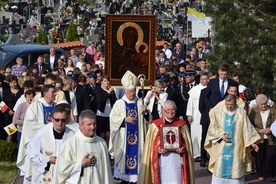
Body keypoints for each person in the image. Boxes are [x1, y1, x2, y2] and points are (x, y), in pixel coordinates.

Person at [204, 94, 260, 184]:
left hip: (236, 148)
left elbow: (247, 129)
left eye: (231, 105)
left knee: (236, 173)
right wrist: (221, 136)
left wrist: (251, 142)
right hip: (221, 147)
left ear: (235, 103)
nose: (229, 107)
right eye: (227, 104)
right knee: (219, 171)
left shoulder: (241, 112)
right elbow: (212, 128)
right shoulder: (218, 111)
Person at [138, 100, 195, 184]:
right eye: (168, 110)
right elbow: (150, 146)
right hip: (162, 160)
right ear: (163, 111)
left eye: (172, 110)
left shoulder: (182, 125)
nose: (170, 112)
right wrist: (158, 149)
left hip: (176, 160)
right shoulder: (155, 126)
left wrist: (183, 149)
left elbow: (188, 145)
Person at [109, 70, 151, 183]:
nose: (132, 94)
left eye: (134, 91)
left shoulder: (140, 103)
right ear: (125, 91)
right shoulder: (119, 103)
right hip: (123, 139)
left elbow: (149, 120)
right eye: (130, 91)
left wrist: (146, 112)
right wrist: (124, 120)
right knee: (123, 163)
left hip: (138, 139)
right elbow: (112, 119)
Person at [55, 110, 113, 184]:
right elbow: (62, 170)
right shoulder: (70, 144)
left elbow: (106, 171)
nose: (92, 127)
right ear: (80, 125)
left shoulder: (101, 143)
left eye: (94, 124)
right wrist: (80, 164)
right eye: (89, 124)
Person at [17, 84, 57, 183]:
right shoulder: (34, 106)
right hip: (39, 144)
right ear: (45, 94)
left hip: (54, 143)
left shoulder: (57, 107)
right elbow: (30, 125)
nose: (55, 94)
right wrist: (49, 127)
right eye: (53, 92)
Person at [27, 105, 75, 184]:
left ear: (67, 120)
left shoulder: (73, 136)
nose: (60, 122)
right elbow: (32, 153)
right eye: (57, 120)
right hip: (45, 174)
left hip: (65, 173)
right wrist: (48, 160)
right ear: (52, 119)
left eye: (63, 120)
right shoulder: (41, 134)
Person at [249, 94, 276, 181]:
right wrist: (259, 130)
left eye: (265, 104)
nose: (263, 106)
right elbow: (250, 125)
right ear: (257, 104)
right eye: (261, 104)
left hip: (270, 137)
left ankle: (272, 174)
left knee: (271, 155)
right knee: (259, 156)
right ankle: (261, 173)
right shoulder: (253, 112)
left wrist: (271, 129)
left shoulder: (273, 111)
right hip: (259, 137)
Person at [186, 72, 209, 161]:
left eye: (205, 79)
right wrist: (189, 114)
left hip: (205, 114)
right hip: (196, 115)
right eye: (201, 79)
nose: (203, 81)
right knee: (195, 134)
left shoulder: (209, 88)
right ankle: (196, 154)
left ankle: (205, 153)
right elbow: (190, 102)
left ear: (208, 80)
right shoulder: (195, 89)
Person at [95, 75, 117, 147]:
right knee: (102, 134)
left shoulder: (111, 90)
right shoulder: (99, 90)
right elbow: (101, 100)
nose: (107, 83)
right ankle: (102, 147)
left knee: (108, 134)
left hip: (109, 114)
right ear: (102, 82)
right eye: (105, 81)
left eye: (107, 81)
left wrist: (112, 93)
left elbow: (114, 101)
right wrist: (108, 93)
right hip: (101, 114)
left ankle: (108, 148)